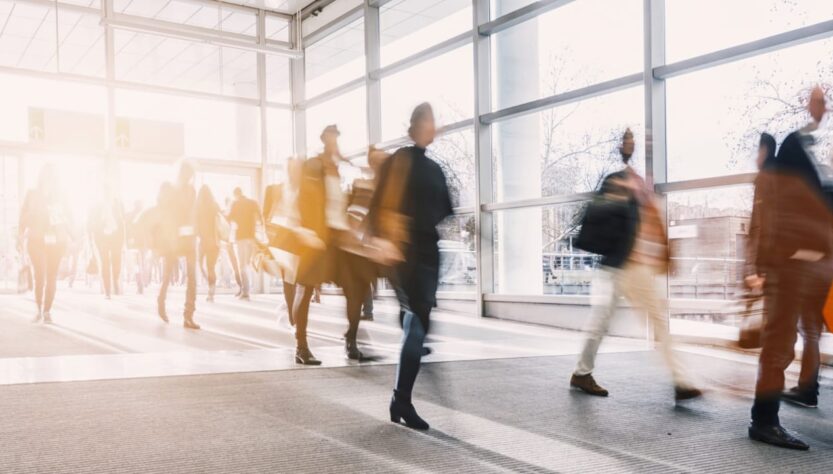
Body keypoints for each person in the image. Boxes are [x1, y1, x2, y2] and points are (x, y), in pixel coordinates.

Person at [570, 128, 702, 402]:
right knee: (604, 321)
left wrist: (665, 255)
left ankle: (679, 380)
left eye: (634, 141)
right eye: (627, 141)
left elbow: (652, 225)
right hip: (620, 265)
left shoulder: (641, 184)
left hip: (635, 268)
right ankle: (583, 373)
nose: (631, 145)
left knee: (648, 320)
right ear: (621, 147)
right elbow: (597, 215)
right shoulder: (616, 181)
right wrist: (619, 198)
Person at [747, 86, 833, 450]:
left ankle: (771, 414)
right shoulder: (786, 166)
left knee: (788, 340)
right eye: (819, 102)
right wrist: (763, 269)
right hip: (787, 268)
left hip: (804, 267)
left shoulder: (799, 165)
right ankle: (764, 421)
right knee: (779, 344)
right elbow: (764, 228)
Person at [368, 103, 453, 430]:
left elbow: (443, 209)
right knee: (416, 322)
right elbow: (380, 204)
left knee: (419, 322)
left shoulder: (433, 167)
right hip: (405, 252)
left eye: (435, 121)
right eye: (428, 120)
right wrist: (386, 238)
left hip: (427, 251)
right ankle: (401, 400)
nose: (433, 126)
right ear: (416, 125)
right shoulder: (401, 160)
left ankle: (400, 399)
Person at [292, 124, 372, 365]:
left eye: (337, 140)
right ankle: (301, 346)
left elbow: (340, 204)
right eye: (332, 140)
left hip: (338, 237)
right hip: (316, 238)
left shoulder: (338, 171)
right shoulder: (313, 167)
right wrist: (308, 231)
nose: (335, 144)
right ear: (324, 140)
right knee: (304, 290)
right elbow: (304, 199)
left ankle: (351, 340)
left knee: (355, 287)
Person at [18, 164, 72, 324]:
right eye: (45, 176)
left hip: (56, 241)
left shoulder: (61, 195)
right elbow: (23, 215)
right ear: (40, 177)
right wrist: (20, 234)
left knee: (51, 276)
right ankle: (38, 309)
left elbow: (68, 216)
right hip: (36, 239)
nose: (48, 179)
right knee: (39, 275)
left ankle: (47, 311)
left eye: (51, 176)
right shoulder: (32, 194)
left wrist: (73, 236)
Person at [157, 162, 200, 330]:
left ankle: (188, 316)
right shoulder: (170, 190)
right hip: (173, 239)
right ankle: (161, 302)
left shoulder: (191, 191)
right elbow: (165, 213)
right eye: (186, 175)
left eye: (190, 176)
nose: (188, 179)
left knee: (192, 278)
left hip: (189, 238)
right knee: (167, 275)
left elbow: (193, 212)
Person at [89, 185, 126, 300]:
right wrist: (95, 232)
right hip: (102, 237)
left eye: (109, 192)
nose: (107, 194)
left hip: (116, 236)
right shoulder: (96, 206)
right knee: (105, 263)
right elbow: (91, 221)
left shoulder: (118, 204)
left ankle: (115, 279)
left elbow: (123, 220)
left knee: (116, 261)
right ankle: (107, 291)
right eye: (105, 192)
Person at [228, 187, 262, 301]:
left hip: (241, 237)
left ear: (235, 195)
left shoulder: (235, 203)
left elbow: (229, 218)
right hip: (252, 237)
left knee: (242, 265)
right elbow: (260, 218)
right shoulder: (253, 203)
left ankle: (246, 291)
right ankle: (251, 287)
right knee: (248, 263)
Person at [196, 185, 222, 302]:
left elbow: (195, 224)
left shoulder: (198, 207)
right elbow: (222, 220)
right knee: (211, 267)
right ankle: (211, 290)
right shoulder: (215, 205)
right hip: (215, 241)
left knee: (201, 265)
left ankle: (210, 286)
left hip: (203, 241)